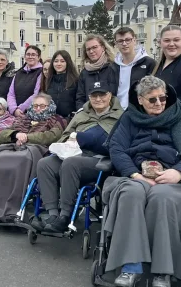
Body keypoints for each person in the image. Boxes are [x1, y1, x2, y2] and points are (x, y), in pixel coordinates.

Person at [104, 76, 181, 287]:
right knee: (132, 193)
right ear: (140, 100)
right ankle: (130, 266)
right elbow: (117, 149)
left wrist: (178, 172)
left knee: (161, 197)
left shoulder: (177, 120)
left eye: (162, 98)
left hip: (171, 178)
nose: (159, 103)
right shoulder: (129, 119)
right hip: (136, 176)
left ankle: (164, 270)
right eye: (153, 100)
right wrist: (135, 175)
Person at [33, 81, 124, 233]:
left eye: (102, 95)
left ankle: (65, 215)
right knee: (45, 164)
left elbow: (119, 144)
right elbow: (65, 135)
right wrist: (68, 141)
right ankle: (52, 214)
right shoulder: (81, 114)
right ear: (89, 97)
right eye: (94, 95)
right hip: (72, 153)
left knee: (71, 163)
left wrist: (84, 138)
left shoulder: (120, 116)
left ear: (110, 96)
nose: (98, 99)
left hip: (99, 160)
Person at [0, 93, 64, 224]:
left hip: (38, 149)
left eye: (42, 106)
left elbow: (52, 136)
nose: (38, 108)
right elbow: (3, 134)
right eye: (35, 105)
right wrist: (16, 134)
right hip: (15, 147)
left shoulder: (57, 120)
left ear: (50, 106)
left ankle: (12, 209)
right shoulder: (23, 118)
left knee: (20, 163)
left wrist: (27, 137)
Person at [113, 27, 156, 109]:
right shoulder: (113, 66)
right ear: (116, 44)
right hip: (116, 112)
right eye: (120, 41)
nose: (124, 44)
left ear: (134, 41)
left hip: (138, 110)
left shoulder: (149, 63)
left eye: (128, 40)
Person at [76, 35, 118, 106]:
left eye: (94, 47)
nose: (91, 51)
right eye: (88, 49)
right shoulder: (84, 72)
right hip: (89, 114)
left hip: (111, 113)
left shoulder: (114, 68)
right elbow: (80, 97)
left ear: (103, 48)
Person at [7, 45, 43, 116]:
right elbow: (11, 94)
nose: (30, 57)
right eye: (28, 54)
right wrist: (14, 109)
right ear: (25, 56)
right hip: (15, 114)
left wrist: (21, 109)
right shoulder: (19, 72)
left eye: (33, 55)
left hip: (32, 113)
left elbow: (36, 94)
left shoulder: (41, 72)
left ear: (38, 57)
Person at [41, 50, 79, 118]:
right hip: (51, 120)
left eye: (62, 61)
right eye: (56, 61)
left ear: (68, 63)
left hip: (69, 121)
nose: (58, 64)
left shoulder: (75, 81)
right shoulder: (49, 81)